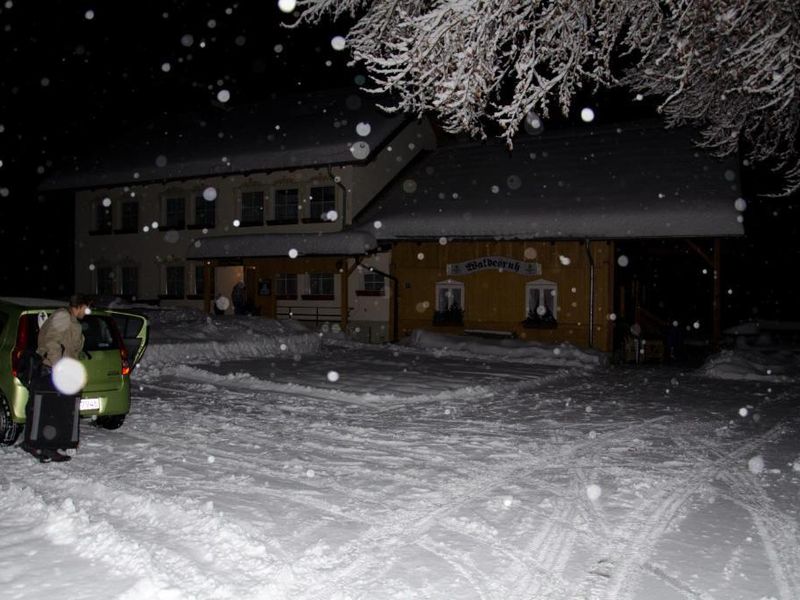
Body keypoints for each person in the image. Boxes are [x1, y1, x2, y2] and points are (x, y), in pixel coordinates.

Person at [22, 294, 90, 463]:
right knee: (53, 411)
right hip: (54, 370)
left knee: (52, 409)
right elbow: (52, 342)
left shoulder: (69, 319)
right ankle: (47, 447)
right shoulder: (63, 316)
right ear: (79, 306)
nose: (88, 312)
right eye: (87, 308)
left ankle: (38, 444)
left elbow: (71, 345)